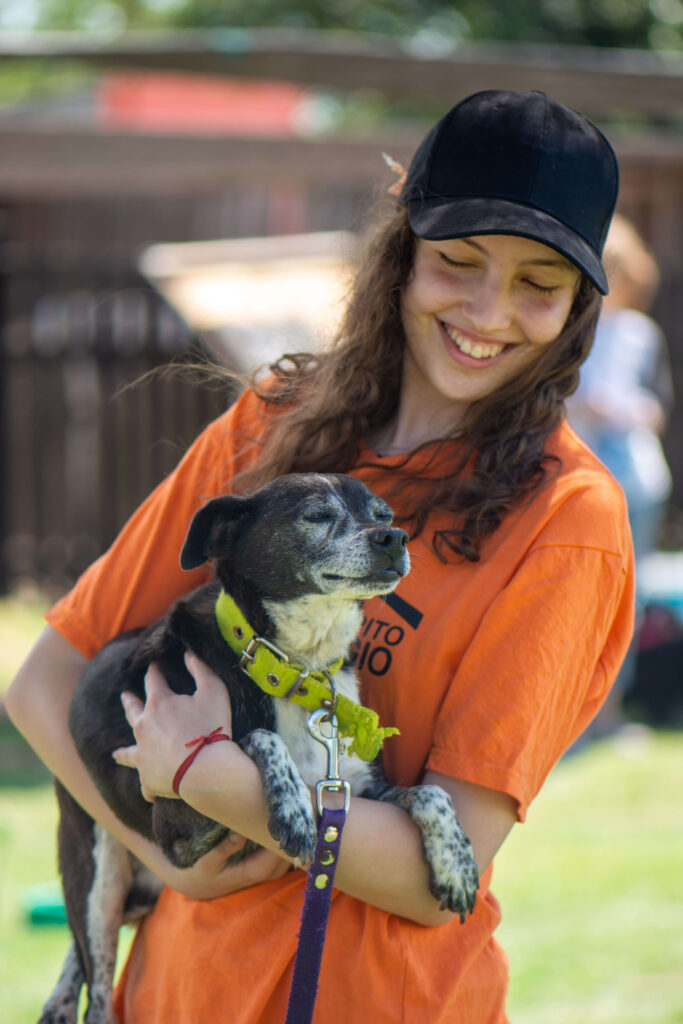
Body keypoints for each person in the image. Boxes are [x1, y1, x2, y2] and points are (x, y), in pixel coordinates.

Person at [7, 90, 634, 1024]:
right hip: (179, 994)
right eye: (457, 263)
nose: (489, 311)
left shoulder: (566, 519)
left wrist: (220, 786)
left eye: (537, 285)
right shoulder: (274, 424)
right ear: (399, 256)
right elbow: (45, 685)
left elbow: (439, 871)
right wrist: (167, 852)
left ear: (579, 308)